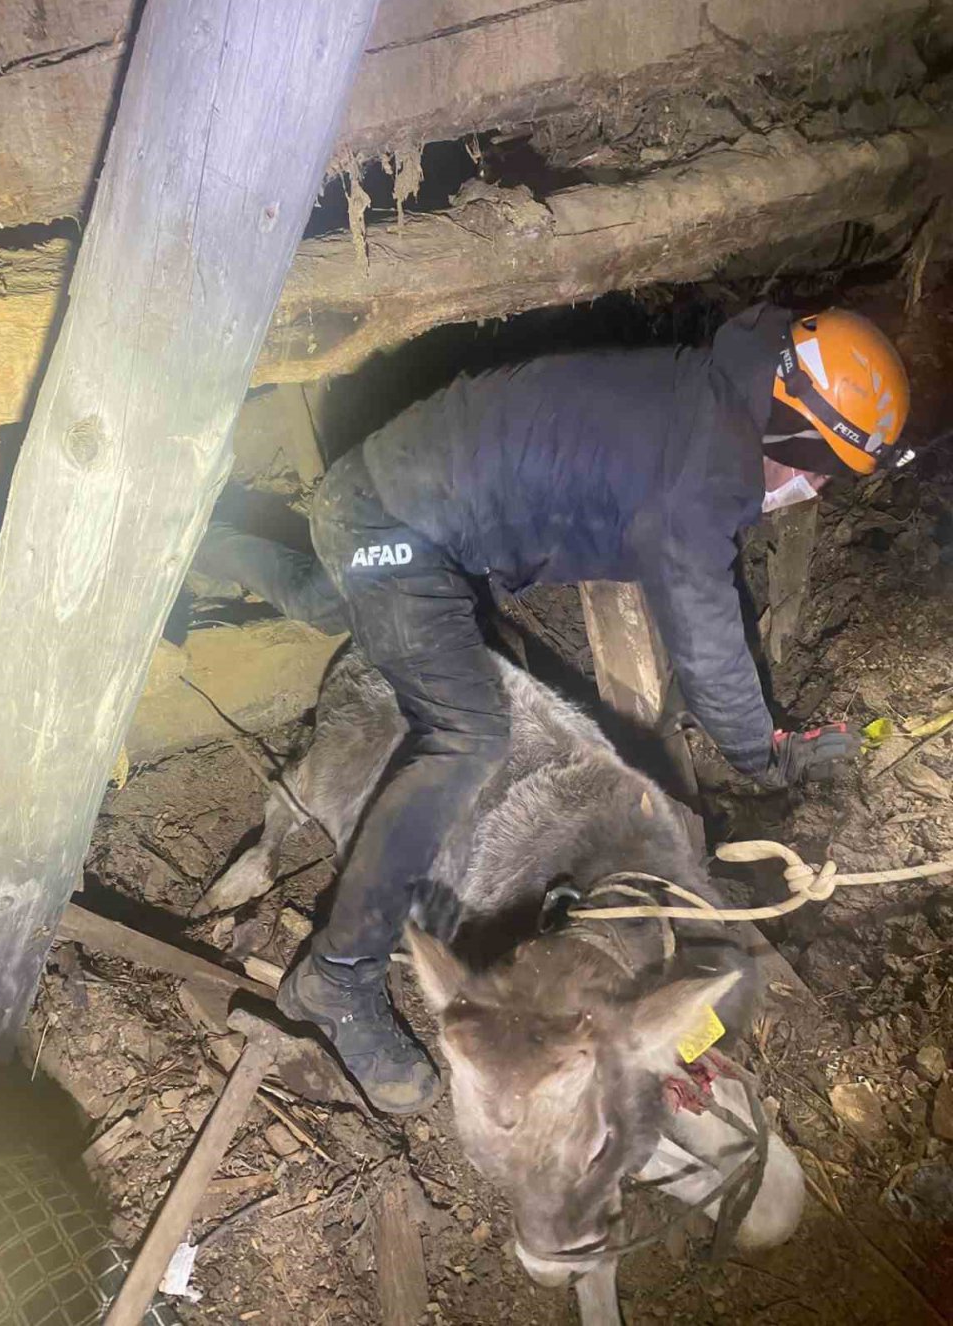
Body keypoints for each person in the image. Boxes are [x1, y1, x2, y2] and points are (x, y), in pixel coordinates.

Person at [195, 304, 911, 1113]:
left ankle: (194, 537)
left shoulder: (702, 400)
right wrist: (765, 751)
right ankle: (338, 977)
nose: (813, 491)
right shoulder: (702, 469)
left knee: (330, 593)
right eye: (822, 471)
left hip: (382, 502)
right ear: (796, 433)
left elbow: (708, 577)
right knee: (468, 735)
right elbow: (707, 637)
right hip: (398, 525)